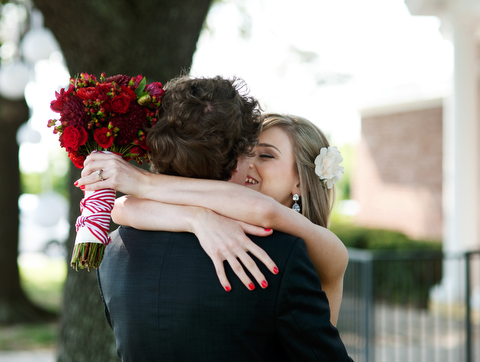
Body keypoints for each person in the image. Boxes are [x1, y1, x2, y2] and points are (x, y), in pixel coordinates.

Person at [81, 76, 353, 361]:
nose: (250, 162)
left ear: (301, 182)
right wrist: (195, 218)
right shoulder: (277, 253)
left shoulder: (312, 248)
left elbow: (265, 210)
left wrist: (144, 182)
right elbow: (122, 207)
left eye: (266, 156)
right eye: (249, 151)